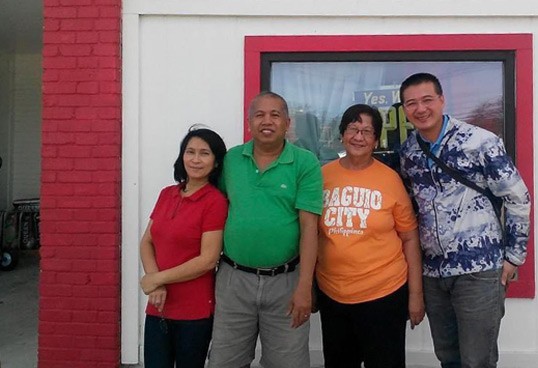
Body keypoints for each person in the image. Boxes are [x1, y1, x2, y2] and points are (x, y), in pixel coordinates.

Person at [398, 73, 531, 368]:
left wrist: (513, 258)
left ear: (442, 100)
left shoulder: (480, 142)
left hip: (479, 269)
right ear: (404, 109)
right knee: (448, 357)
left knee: (477, 360)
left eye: (427, 100)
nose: (420, 109)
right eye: (411, 103)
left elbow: (517, 198)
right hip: (433, 273)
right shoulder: (409, 152)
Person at [208, 92, 323, 368]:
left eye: (275, 115)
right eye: (259, 115)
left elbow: (309, 228)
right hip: (233, 280)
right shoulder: (232, 161)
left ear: (287, 122)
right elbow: (213, 208)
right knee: (224, 362)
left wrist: (305, 287)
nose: (267, 121)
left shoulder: (305, 163)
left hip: (286, 281)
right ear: (249, 122)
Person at [316, 104, 424, 368]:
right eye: (353, 129)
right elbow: (311, 234)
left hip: (384, 295)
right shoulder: (321, 176)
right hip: (333, 295)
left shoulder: (390, 179)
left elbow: (410, 238)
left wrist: (416, 295)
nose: (359, 137)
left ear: (376, 140)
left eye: (367, 131)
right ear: (342, 134)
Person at [139, 127, 228, 368]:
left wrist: (157, 279)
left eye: (204, 153)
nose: (196, 159)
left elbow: (207, 260)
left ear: (216, 162)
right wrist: (155, 281)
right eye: (190, 152)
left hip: (194, 311)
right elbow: (147, 241)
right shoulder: (167, 194)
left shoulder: (215, 201)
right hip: (158, 306)